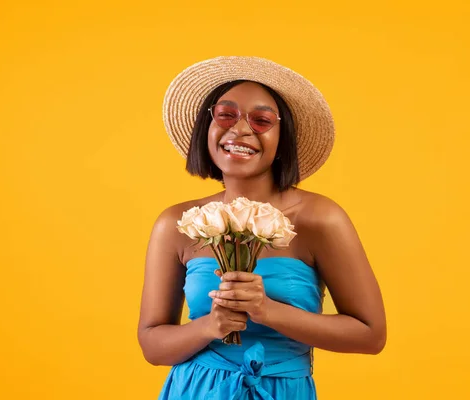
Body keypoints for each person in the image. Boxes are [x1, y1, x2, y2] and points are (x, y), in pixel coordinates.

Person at [138, 56, 387, 399]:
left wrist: (266, 310)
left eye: (261, 121)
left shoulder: (321, 218)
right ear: (206, 128)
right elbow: (153, 347)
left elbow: (370, 336)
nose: (239, 130)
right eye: (226, 115)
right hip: (195, 390)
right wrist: (210, 325)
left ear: (283, 138)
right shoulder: (177, 223)